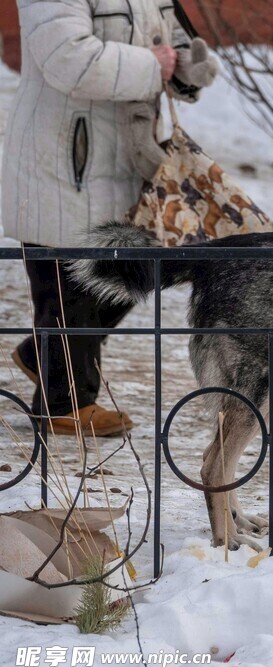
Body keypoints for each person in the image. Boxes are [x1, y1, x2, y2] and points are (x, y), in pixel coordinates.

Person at [2, 0, 217, 436]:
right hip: (64, 161)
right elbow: (68, 58)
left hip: (127, 160)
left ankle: (40, 354)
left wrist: (185, 68)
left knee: (131, 273)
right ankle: (65, 406)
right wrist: (150, 64)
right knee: (69, 284)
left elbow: (171, 42)